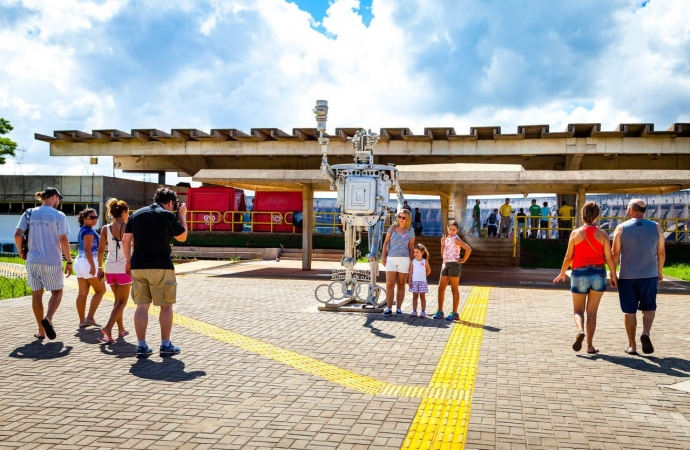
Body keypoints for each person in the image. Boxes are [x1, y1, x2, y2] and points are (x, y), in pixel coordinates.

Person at [123, 187, 188, 358]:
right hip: (161, 265)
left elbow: (126, 239)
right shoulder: (167, 215)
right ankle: (165, 345)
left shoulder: (136, 215)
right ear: (170, 202)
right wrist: (181, 215)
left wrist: (128, 261)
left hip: (138, 265)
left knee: (141, 306)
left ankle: (142, 346)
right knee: (166, 306)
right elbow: (182, 237)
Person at [553, 201, 618, 354]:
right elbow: (609, 258)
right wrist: (613, 275)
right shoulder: (602, 234)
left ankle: (580, 330)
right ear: (597, 215)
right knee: (592, 312)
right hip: (598, 273)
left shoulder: (575, 233)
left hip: (579, 273)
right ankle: (589, 346)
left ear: (582, 215)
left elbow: (569, 256)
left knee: (578, 310)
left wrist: (562, 272)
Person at [13, 187, 72, 340]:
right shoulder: (59, 215)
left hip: (33, 260)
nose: (59, 201)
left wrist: (21, 252)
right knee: (57, 291)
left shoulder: (29, 213)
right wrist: (69, 261)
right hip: (52, 260)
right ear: (53, 197)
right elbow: (64, 239)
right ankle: (49, 318)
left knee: (36, 294)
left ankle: (41, 331)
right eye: (59, 198)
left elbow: (17, 234)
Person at [612, 199, 665, 355]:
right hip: (649, 275)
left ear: (631, 211)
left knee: (629, 311)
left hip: (627, 276)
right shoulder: (656, 227)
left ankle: (632, 345)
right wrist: (659, 271)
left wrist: (613, 274)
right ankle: (645, 333)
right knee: (649, 307)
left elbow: (615, 254)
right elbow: (661, 252)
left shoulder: (621, 228)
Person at [97, 198, 132, 344]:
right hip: (124, 267)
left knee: (117, 301)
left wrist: (99, 268)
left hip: (110, 268)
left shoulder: (105, 228)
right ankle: (108, 327)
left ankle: (121, 329)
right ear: (124, 212)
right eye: (128, 212)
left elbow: (100, 250)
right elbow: (132, 245)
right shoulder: (127, 227)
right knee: (123, 301)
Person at [433, 221, 472, 321]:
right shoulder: (447, 239)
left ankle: (455, 313)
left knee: (454, 289)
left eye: (454, 229)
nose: (451, 231)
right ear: (447, 228)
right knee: (441, 288)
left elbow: (468, 249)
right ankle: (440, 311)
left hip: (454, 265)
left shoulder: (456, 239)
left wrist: (463, 260)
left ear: (457, 230)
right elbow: (443, 255)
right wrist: (442, 244)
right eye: (450, 229)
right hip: (445, 264)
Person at [74, 208, 106, 328]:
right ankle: (90, 317)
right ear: (84, 218)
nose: (95, 219)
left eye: (96, 217)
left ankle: (82, 321)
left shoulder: (83, 230)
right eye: (91, 217)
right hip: (88, 263)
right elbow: (88, 249)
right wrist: (94, 266)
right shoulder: (88, 232)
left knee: (82, 293)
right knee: (101, 290)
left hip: (80, 262)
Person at [381, 210, 415, 316]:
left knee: (401, 284)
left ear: (408, 219)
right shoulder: (392, 228)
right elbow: (386, 242)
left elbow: (411, 247)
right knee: (390, 284)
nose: (401, 219)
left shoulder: (410, 231)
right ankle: (389, 308)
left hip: (404, 259)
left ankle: (399, 308)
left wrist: (412, 263)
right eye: (400, 216)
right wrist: (383, 256)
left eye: (404, 217)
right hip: (391, 258)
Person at [408, 243, 431, 318]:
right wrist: (410, 281)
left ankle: (423, 311)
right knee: (414, 296)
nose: (415, 254)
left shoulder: (425, 262)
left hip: (422, 282)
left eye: (417, 252)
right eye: (414, 252)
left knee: (422, 297)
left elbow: (429, 271)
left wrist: (424, 276)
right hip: (414, 282)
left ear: (422, 252)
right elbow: (410, 272)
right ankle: (414, 310)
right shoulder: (413, 262)